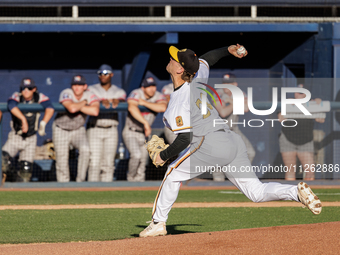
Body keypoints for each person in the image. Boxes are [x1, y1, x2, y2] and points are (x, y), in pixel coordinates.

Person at [139, 45, 322, 238]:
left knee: (172, 173)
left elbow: (186, 137)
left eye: (174, 58)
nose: (170, 58)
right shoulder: (198, 78)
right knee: (256, 192)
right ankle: (295, 193)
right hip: (232, 141)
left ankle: (158, 223)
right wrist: (228, 49)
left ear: (179, 69)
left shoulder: (179, 100)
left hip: (208, 142)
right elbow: (208, 58)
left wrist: (163, 155)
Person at [2, 78, 54, 182]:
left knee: (26, 169)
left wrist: (43, 123)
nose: (26, 90)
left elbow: (50, 107)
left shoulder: (39, 97)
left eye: (29, 88)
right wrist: (23, 119)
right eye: (23, 88)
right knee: (3, 159)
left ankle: (22, 190)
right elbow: (11, 105)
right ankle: (13, 178)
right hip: (16, 136)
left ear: (34, 89)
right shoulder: (17, 96)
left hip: (31, 138)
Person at [52, 75, 100, 182]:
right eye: (75, 85)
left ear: (85, 86)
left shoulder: (90, 94)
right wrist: (84, 103)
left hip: (78, 129)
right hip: (61, 129)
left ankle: (80, 181)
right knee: (62, 160)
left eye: (80, 85)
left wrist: (78, 105)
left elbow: (95, 111)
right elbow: (72, 108)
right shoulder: (66, 92)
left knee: (86, 150)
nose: (77, 87)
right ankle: (63, 185)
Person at [86, 64, 126, 182]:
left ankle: (107, 189)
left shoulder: (118, 91)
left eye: (106, 73)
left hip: (111, 127)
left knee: (108, 162)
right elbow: (88, 99)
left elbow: (123, 98)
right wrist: (99, 101)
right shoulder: (91, 89)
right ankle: (92, 189)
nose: (103, 76)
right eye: (100, 74)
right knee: (94, 162)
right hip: (95, 127)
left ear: (111, 74)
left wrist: (118, 100)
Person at [122, 77, 167, 182]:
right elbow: (131, 108)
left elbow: (162, 107)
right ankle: (130, 179)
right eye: (148, 87)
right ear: (143, 88)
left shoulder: (158, 95)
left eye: (153, 86)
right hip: (131, 131)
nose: (151, 89)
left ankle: (139, 184)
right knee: (136, 155)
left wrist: (145, 103)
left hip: (144, 134)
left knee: (143, 160)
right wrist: (145, 123)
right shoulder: (136, 93)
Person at [213, 73, 256, 181]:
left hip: (233, 129)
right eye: (224, 83)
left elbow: (246, 108)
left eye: (229, 83)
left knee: (250, 152)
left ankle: (237, 178)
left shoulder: (240, 93)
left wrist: (231, 101)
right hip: (218, 130)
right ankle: (217, 184)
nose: (226, 86)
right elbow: (223, 112)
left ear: (235, 84)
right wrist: (236, 103)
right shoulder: (218, 93)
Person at [278, 84, 325, 181]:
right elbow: (280, 118)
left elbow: (321, 119)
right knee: (290, 170)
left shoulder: (312, 105)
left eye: (300, 92)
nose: (296, 94)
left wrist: (319, 105)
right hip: (288, 140)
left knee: (310, 172)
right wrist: (287, 107)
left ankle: (307, 195)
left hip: (305, 141)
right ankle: (290, 196)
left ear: (306, 95)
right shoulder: (288, 103)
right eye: (295, 92)